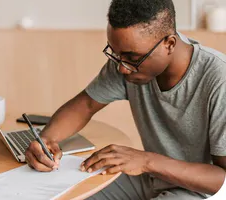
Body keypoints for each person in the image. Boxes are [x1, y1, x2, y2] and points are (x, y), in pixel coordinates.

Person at [25, 0, 226, 199]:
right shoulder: (127, 62)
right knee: (71, 194)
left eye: (131, 57)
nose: (122, 68)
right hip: (151, 176)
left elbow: (223, 180)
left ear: (169, 44)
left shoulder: (218, 79)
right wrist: (47, 139)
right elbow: (86, 105)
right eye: (116, 54)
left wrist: (147, 161)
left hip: (198, 191)